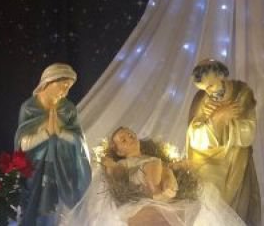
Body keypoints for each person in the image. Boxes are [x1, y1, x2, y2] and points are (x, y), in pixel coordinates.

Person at [64, 127, 245, 226]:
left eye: (130, 135)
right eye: (123, 140)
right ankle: (159, 191)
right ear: (118, 151)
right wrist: (110, 165)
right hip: (142, 184)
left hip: (160, 180)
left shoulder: (152, 158)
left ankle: (167, 189)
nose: (129, 139)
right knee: (156, 166)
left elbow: (169, 166)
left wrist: (180, 165)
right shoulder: (127, 163)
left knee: (164, 168)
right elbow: (117, 172)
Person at [185, 59, 260, 225]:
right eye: (204, 88)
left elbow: (248, 132)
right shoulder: (200, 99)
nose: (208, 91)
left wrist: (226, 121)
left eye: (211, 85)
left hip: (235, 165)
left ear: (221, 76)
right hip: (207, 169)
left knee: (235, 212)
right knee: (209, 213)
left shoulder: (242, 94)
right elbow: (195, 138)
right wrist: (216, 119)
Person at [15, 63, 91, 226]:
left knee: (56, 212)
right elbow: (22, 144)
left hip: (63, 168)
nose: (65, 91)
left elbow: (78, 140)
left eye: (69, 87)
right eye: (63, 85)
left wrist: (61, 132)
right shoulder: (29, 108)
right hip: (36, 167)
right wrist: (46, 133)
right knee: (35, 208)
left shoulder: (68, 108)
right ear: (49, 82)